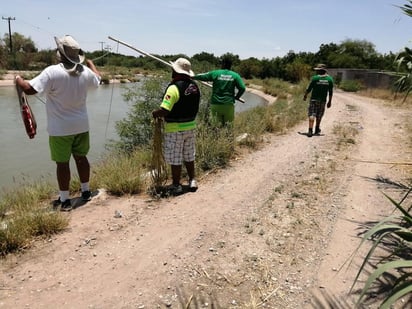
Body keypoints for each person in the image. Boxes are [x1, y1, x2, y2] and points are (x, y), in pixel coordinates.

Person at [15, 35, 101, 211]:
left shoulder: (52, 71)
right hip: (82, 126)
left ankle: (65, 201)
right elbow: (98, 79)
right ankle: (85, 192)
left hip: (60, 129)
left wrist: (18, 80)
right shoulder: (84, 71)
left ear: (60, 53)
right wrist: (91, 65)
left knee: (62, 164)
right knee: (81, 158)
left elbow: (30, 89)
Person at [152, 58, 200, 195]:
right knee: (189, 155)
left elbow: (165, 110)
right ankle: (192, 180)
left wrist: (155, 114)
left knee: (175, 157)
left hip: (175, 129)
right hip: (190, 126)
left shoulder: (173, 88)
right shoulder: (194, 86)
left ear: (175, 70)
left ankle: (176, 185)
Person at [192, 56, 246, 125]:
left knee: (216, 126)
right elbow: (242, 88)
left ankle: (217, 135)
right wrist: (237, 97)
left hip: (216, 104)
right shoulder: (235, 75)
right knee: (228, 126)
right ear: (230, 65)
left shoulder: (216, 73)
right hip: (228, 104)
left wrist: (193, 77)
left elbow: (203, 76)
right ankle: (227, 135)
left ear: (223, 64)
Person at [303, 63, 334, 137]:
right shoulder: (329, 79)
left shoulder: (315, 78)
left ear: (320, 71)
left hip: (314, 100)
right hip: (323, 101)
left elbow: (309, 88)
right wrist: (329, 101)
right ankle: (317, 129)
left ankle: (310, 131)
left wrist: (305, 96)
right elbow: (330, 92)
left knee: (312, 114)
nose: (316, 71)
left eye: (317, 70)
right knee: (319, 115)